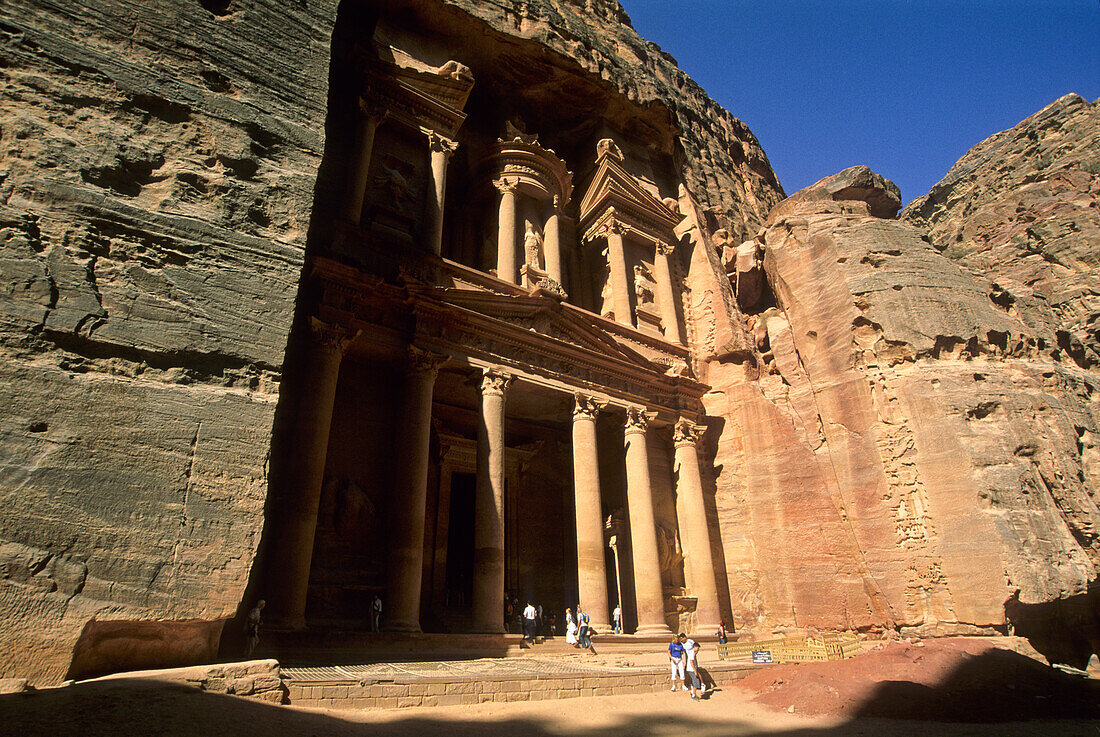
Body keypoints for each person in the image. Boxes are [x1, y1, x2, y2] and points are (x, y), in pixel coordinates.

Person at [683, 634, 704, 699]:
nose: (697, 650)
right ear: (694, 647)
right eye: (697, 649)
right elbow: (691, 662)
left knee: (695, 681)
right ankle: (693, 695)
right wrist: (695, 671)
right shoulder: (692, 653)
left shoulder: (692, 653)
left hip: (690, 669)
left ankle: (692, 692)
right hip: (691, 669)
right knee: (696, 682)